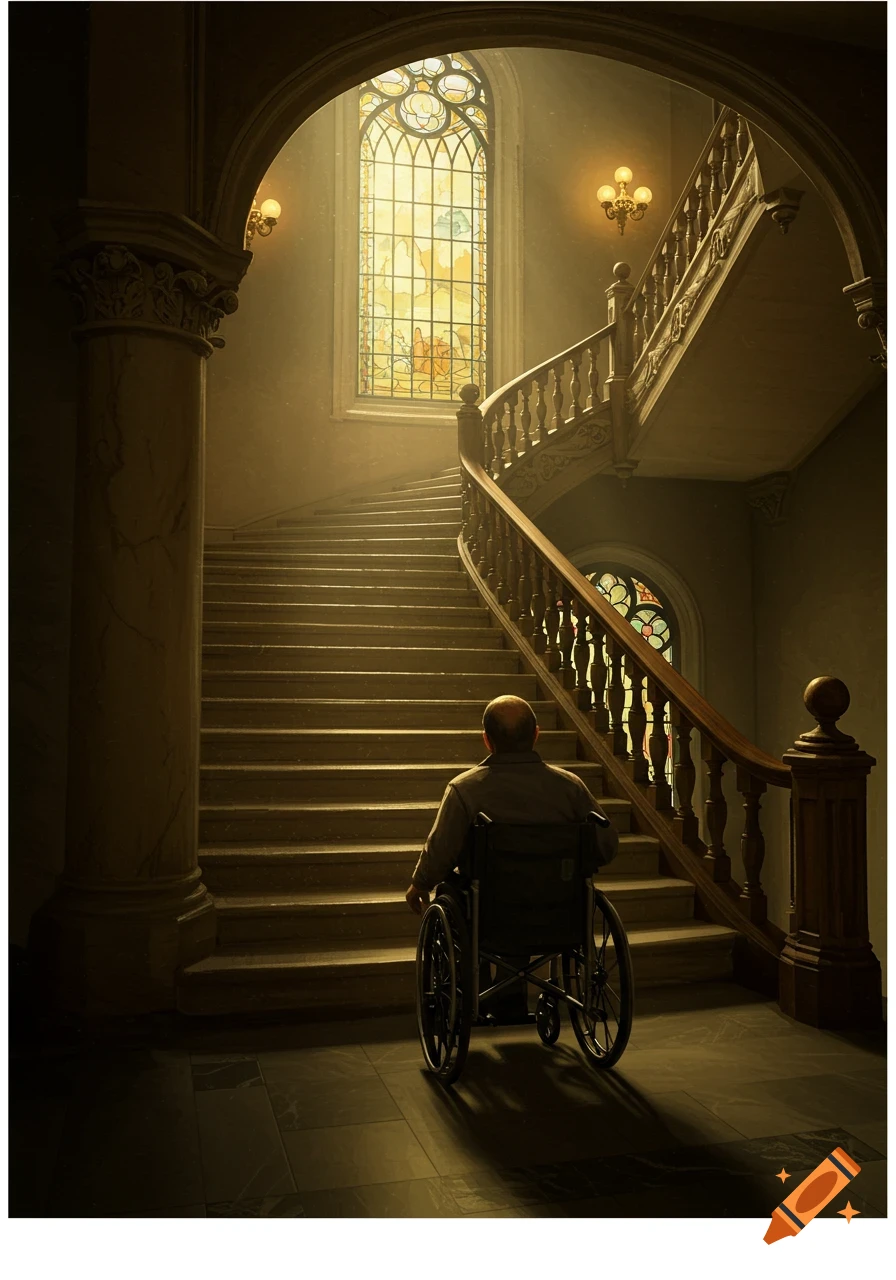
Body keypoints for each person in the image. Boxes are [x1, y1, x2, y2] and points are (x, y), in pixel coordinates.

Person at [405, 694, 618, 1019]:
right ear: (536, 734)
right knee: (528, 888)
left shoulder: (466, 789)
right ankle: (509, 993)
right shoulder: (569, 787)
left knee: (454, 890)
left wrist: (419, 884)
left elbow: (441, 853)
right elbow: (606, 847)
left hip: (491, 914)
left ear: (487, 740)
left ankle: (481, 993)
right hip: (559, 912)